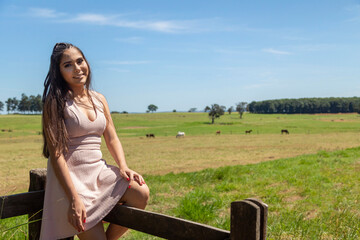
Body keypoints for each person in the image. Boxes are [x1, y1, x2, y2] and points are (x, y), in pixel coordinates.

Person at [40, 42, 149, 240]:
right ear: (59, 72)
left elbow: (112, 136)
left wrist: (123, 166)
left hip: (97, 171)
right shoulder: (55, 102)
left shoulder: (99, 99)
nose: (77, 68)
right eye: (68, 65)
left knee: (140, 192)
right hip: (70, 181)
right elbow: (56, 155)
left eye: (80, 61)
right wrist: (73, 198)